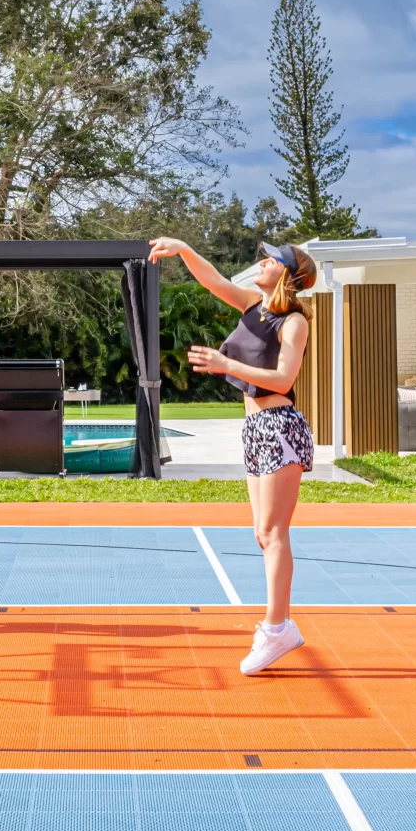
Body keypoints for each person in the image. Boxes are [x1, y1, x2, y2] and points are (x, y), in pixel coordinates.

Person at [147, 237, 317, 675]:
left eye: (271, 259)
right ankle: (279, 627)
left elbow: (282, 379)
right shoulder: (251, 306)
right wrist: (183, 248)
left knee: (273, 532)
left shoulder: (293, 322)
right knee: (262, 535)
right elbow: (214, 281)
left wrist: (228, 366)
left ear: (288, 275)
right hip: (256, 428)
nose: (261, 262)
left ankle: (277, 628)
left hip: (280, 426)